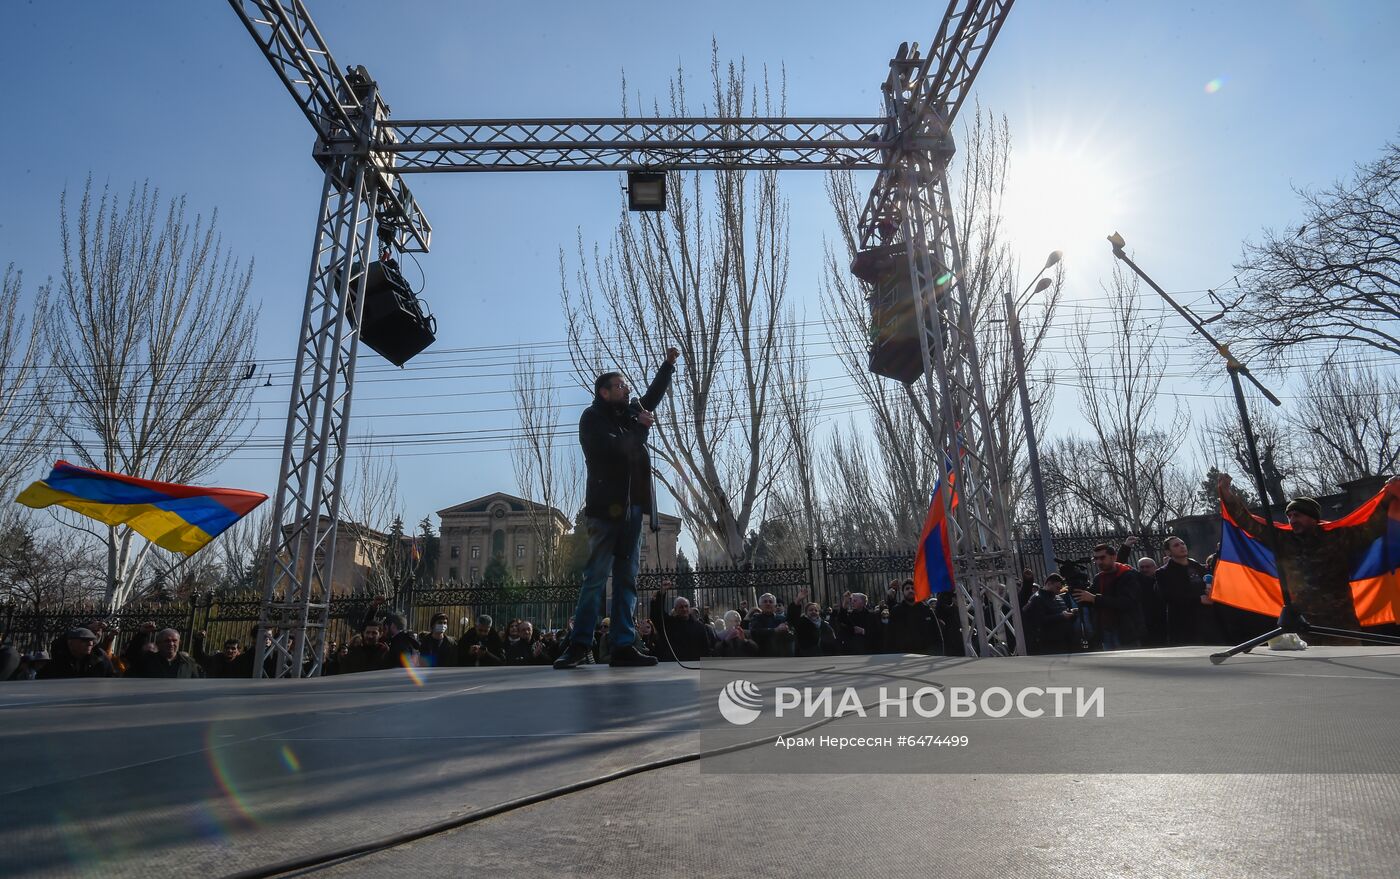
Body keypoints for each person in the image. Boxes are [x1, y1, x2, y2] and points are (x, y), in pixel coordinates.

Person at [555, 346, 680, 670]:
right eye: (621, 386)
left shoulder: (628, 412)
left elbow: (651, 398)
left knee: (626, 581)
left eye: (627, 386)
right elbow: (615, 450)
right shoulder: (592, 418)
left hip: (632, 511)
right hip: (604, 512)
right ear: (604, 392)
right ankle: (580, 644)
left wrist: (667, 365)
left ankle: (624, 645)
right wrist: (641, 428)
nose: (627, 389)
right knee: (596, 579)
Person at [1218, 473, 1400, 632]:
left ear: (1313, 518)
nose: (1292, 520)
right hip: (1303, 626)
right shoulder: (1283, 540)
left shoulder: (1338, 537)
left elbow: (1373, 527)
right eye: (1289, 516)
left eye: (1297, 515)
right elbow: (1248, 523)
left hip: (1341, 626)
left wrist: (1389, 494)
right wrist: (1227, 495)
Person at [1072, 544, 1146, 650]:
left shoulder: (1128, 575)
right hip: (1106, 630)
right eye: (1095, 559)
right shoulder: (1099, 578)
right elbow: (1086, 599)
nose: (1098, 562)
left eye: (1102, 558)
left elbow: (1127, 602)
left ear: (1114, 557)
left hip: (1126, 630)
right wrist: (1075, 586)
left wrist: (1094, 598)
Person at [1155, 536, 1216, 645]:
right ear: (1168, 552)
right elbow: (1168, 597)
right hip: (1183, 624)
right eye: (1176, 545)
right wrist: (1198, 599)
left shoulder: (1198, 567)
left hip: (1206, 621)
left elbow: (1209, 584)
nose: (1181, 547)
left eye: (1182, 543)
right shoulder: (1164, 572)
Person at [1021, 573, 1077, 654]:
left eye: (1060, 589)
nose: (1058, 591)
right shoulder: (1037, 599)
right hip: (1048, 643)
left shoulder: (1058, 597)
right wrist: (1062, 616)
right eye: (1057, 588)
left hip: (1061, 640)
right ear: (1049, 583)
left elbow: (1060, 612)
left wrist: (1070, 612)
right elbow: (1039, 620)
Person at [888, 579, 942, 655]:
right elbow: (890, 635)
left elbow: (937, 634)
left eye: (913, 588)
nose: (910, 590)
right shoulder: (896, 611)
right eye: (907, 588)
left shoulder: (926, 610)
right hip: (902, 655)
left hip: (926, 654)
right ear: (903, 592)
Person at [37, 628, 114, 679]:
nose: (90, 643)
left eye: (92, 640)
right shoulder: (56, 665)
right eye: (84, 640)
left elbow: (110, 679)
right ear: (70, 643)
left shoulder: (101, 661)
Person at [130, 629, 205, 678]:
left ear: (179, 643)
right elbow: (131, 655)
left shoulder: (189, 663)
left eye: (174, 641)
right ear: (158, 643)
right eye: (167, 641)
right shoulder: (147, 660)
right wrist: (142, 634)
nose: (171, 644)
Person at [746, 593, 794, 658]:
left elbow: (791, 631)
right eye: (765, 601)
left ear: (774, 605)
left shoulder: (782, 618)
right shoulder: (756, 618)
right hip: (762, 654)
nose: (768, 603)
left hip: (781, 655)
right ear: (760, 605)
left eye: (770, 602)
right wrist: (775, 630)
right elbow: (755, 632)